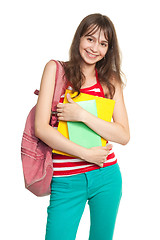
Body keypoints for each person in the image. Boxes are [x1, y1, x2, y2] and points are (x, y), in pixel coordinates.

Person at [35, 13, 130, 240]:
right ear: (79, 38)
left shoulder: (110, 80)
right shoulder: (56, 70)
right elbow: (41, 128)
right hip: (66, 180)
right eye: (90, 39)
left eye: (103, 43)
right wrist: (86, 154)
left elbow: (123, 134)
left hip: (107, 176)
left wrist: (82, 115)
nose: (95, 48)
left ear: (108, 50)